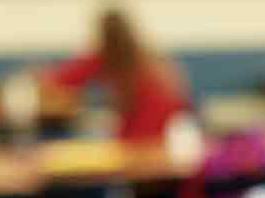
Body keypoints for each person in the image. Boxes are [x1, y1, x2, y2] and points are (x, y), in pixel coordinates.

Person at [43, 9, 190, 142]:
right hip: (158, 136)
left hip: (143, 136)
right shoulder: (147, 58)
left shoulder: (114, 55)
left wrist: (42, 79)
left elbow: (63, 79)